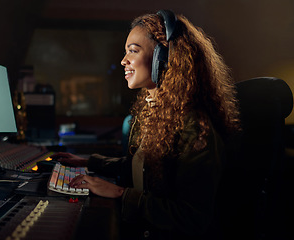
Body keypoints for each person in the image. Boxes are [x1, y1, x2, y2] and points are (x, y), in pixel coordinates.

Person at [51, 10, 240, 239]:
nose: (123, 61)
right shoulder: (151, 112)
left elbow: (192, 218)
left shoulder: (195, 127)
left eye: (133, 51)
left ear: (164, 58)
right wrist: (89, 162)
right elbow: (144, 169)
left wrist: (121, 194)